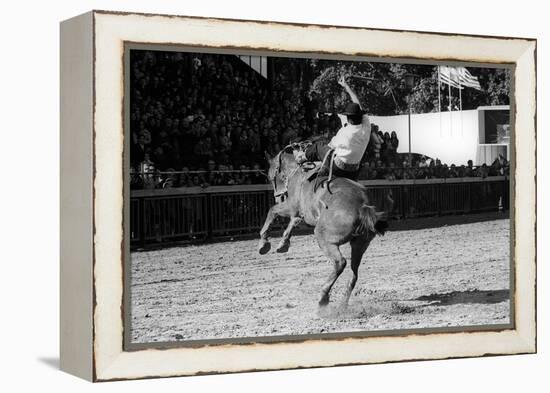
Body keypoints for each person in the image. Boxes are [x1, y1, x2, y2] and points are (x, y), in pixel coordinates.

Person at [293, 76, 372, 181]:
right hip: (354, 171)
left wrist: (321, 141)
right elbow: (358, 105)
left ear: (348, 118)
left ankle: (301, 157)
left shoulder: (344, 131)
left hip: (338, 168)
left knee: (319, 147)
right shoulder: (367, 127)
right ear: (360, 116)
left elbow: (331, 146)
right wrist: (346, 87)